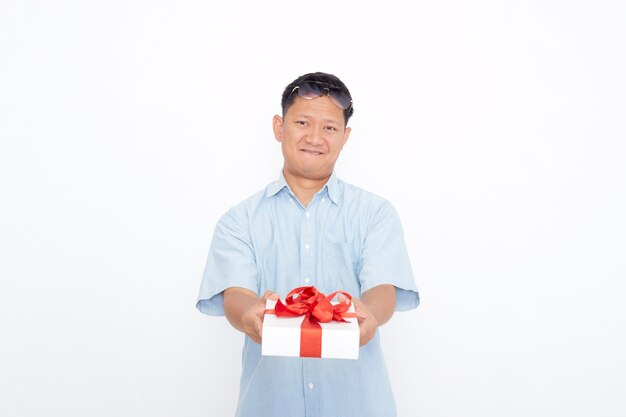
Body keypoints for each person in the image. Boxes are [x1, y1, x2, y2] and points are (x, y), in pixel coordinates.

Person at [196, 72, 419, 417]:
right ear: (278, 127)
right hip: (269, 406)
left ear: (345, 137)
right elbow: (235, 295)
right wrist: (247, 314)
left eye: (329, 127)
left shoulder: (375, 214)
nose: (315, 137)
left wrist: (370, 314)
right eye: (302, 122)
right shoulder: (239, 220)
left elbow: (382, 291)